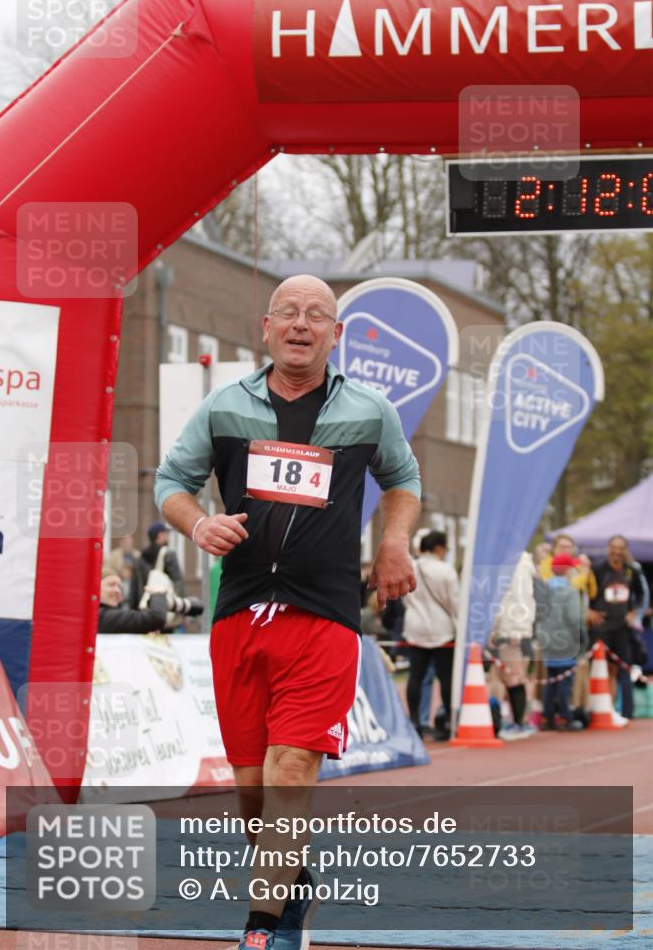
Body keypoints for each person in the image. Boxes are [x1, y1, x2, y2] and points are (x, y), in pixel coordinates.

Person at [154, 275, 421, 950]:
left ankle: (263, 925)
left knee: (290, 769)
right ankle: (292, 879)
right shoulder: (222, 407)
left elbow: (403, 480)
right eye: (289, 314)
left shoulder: (369, 410)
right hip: (239, 610)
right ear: (266, 328)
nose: (301, 325)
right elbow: (170, 483)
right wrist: (197, 525)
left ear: (336, 335)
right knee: (250, 787)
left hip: (323, 611)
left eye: (317, 316)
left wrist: (392, 544)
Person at [403, 531, 458, 741]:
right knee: (445, 678)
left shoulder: (410, 567)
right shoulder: (445, 570)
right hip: (442, 629)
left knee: (415, 676)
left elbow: (404, 597)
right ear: (438, 548)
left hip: (415, 627)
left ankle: (415, 721)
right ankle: (446, 723)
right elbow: (455, 603)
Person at [587, 534, 644, 719]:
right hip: (601, 626)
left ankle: (627, 712)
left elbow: (642, 595)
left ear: (625, 550)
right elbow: (582, 592)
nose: (616, 551)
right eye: (613, 547)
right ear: (608, 548)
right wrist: (588, 611)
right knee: (602, 668)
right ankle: (602, 709)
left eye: (621, 548)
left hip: (622, 627)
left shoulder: (631, 571)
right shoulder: (597, 569)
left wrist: (633, 613)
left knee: (624, 668)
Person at [488, 551, 540, 740]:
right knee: (510, 675)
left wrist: (502, 628)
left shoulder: (513, 567)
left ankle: (520, 723)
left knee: (513, 676)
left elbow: (510, 599)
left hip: (511, 628)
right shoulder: (522, 565)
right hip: (515, 627)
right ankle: (519, 721)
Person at [535, 554, 584, 730]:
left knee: (551, 679)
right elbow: (574, 617)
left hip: (548, 640)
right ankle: (565, 717)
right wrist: (581, 638)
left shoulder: (544, 588)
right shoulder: (570, 591)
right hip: (567, 641)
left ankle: (547, 718)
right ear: (567, 570)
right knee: (565, 680)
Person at [129, 520, 185, 607]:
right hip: (164, 606)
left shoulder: (140, 557)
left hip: (144, 607)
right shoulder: (168, 555)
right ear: (160, 535)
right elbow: (177, 581)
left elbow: (134, 588)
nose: (168, 536)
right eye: (166, 533)